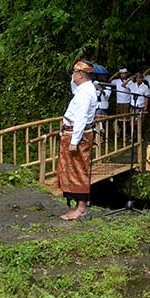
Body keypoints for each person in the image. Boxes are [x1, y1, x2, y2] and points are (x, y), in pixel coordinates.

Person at [57, 60, 98, 221]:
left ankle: (81, 208)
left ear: (80, 74)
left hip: (77, 134)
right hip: (73, 132)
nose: (72, 75)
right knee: (72, 169)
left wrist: (75, 141)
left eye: (74, 72)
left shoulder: (85, 93)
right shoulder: (83, 89)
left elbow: (81, 118)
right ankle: (78, 205)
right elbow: (74, 87)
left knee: (79, 169)